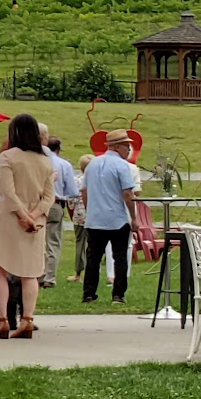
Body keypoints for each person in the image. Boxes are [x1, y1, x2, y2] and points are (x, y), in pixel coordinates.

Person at [0, 114, 55, 340]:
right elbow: (49, 197)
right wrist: (33, 216)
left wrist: (22, 215)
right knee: (31, 271)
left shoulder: (8, 156)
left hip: (10, 217)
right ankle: (27, 319)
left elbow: (8, 191)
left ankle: (2, 320)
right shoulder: (45, 160)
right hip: (37, 220)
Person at [79, 130, 142, 304]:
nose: (129, 149)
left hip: (95, 219)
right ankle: (118, 294)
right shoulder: (122, 166)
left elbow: (84, 191)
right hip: (117, 218)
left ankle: (89, 293)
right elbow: (127, 193)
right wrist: (133, 217)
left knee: (93, 258)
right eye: (126, 146)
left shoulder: (92, 164)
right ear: (117, 147)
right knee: (120, 257)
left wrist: (89, 210)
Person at [43, 135, 80, 289]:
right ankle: (49, 277)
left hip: (35, 203)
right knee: (52, 241)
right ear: (58, 149)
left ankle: (35, 273)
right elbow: (73, 191)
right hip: (55, 203)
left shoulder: (37, 161)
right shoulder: (64, 164)